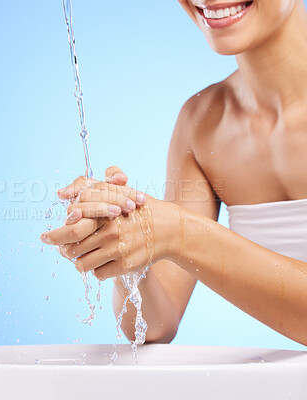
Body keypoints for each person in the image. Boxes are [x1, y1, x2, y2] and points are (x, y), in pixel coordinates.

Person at [41, 0, 307, 346]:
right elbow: (154, 326)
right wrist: (128, 234)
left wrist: (178, 234)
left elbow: (180, 235)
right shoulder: (204, 124)